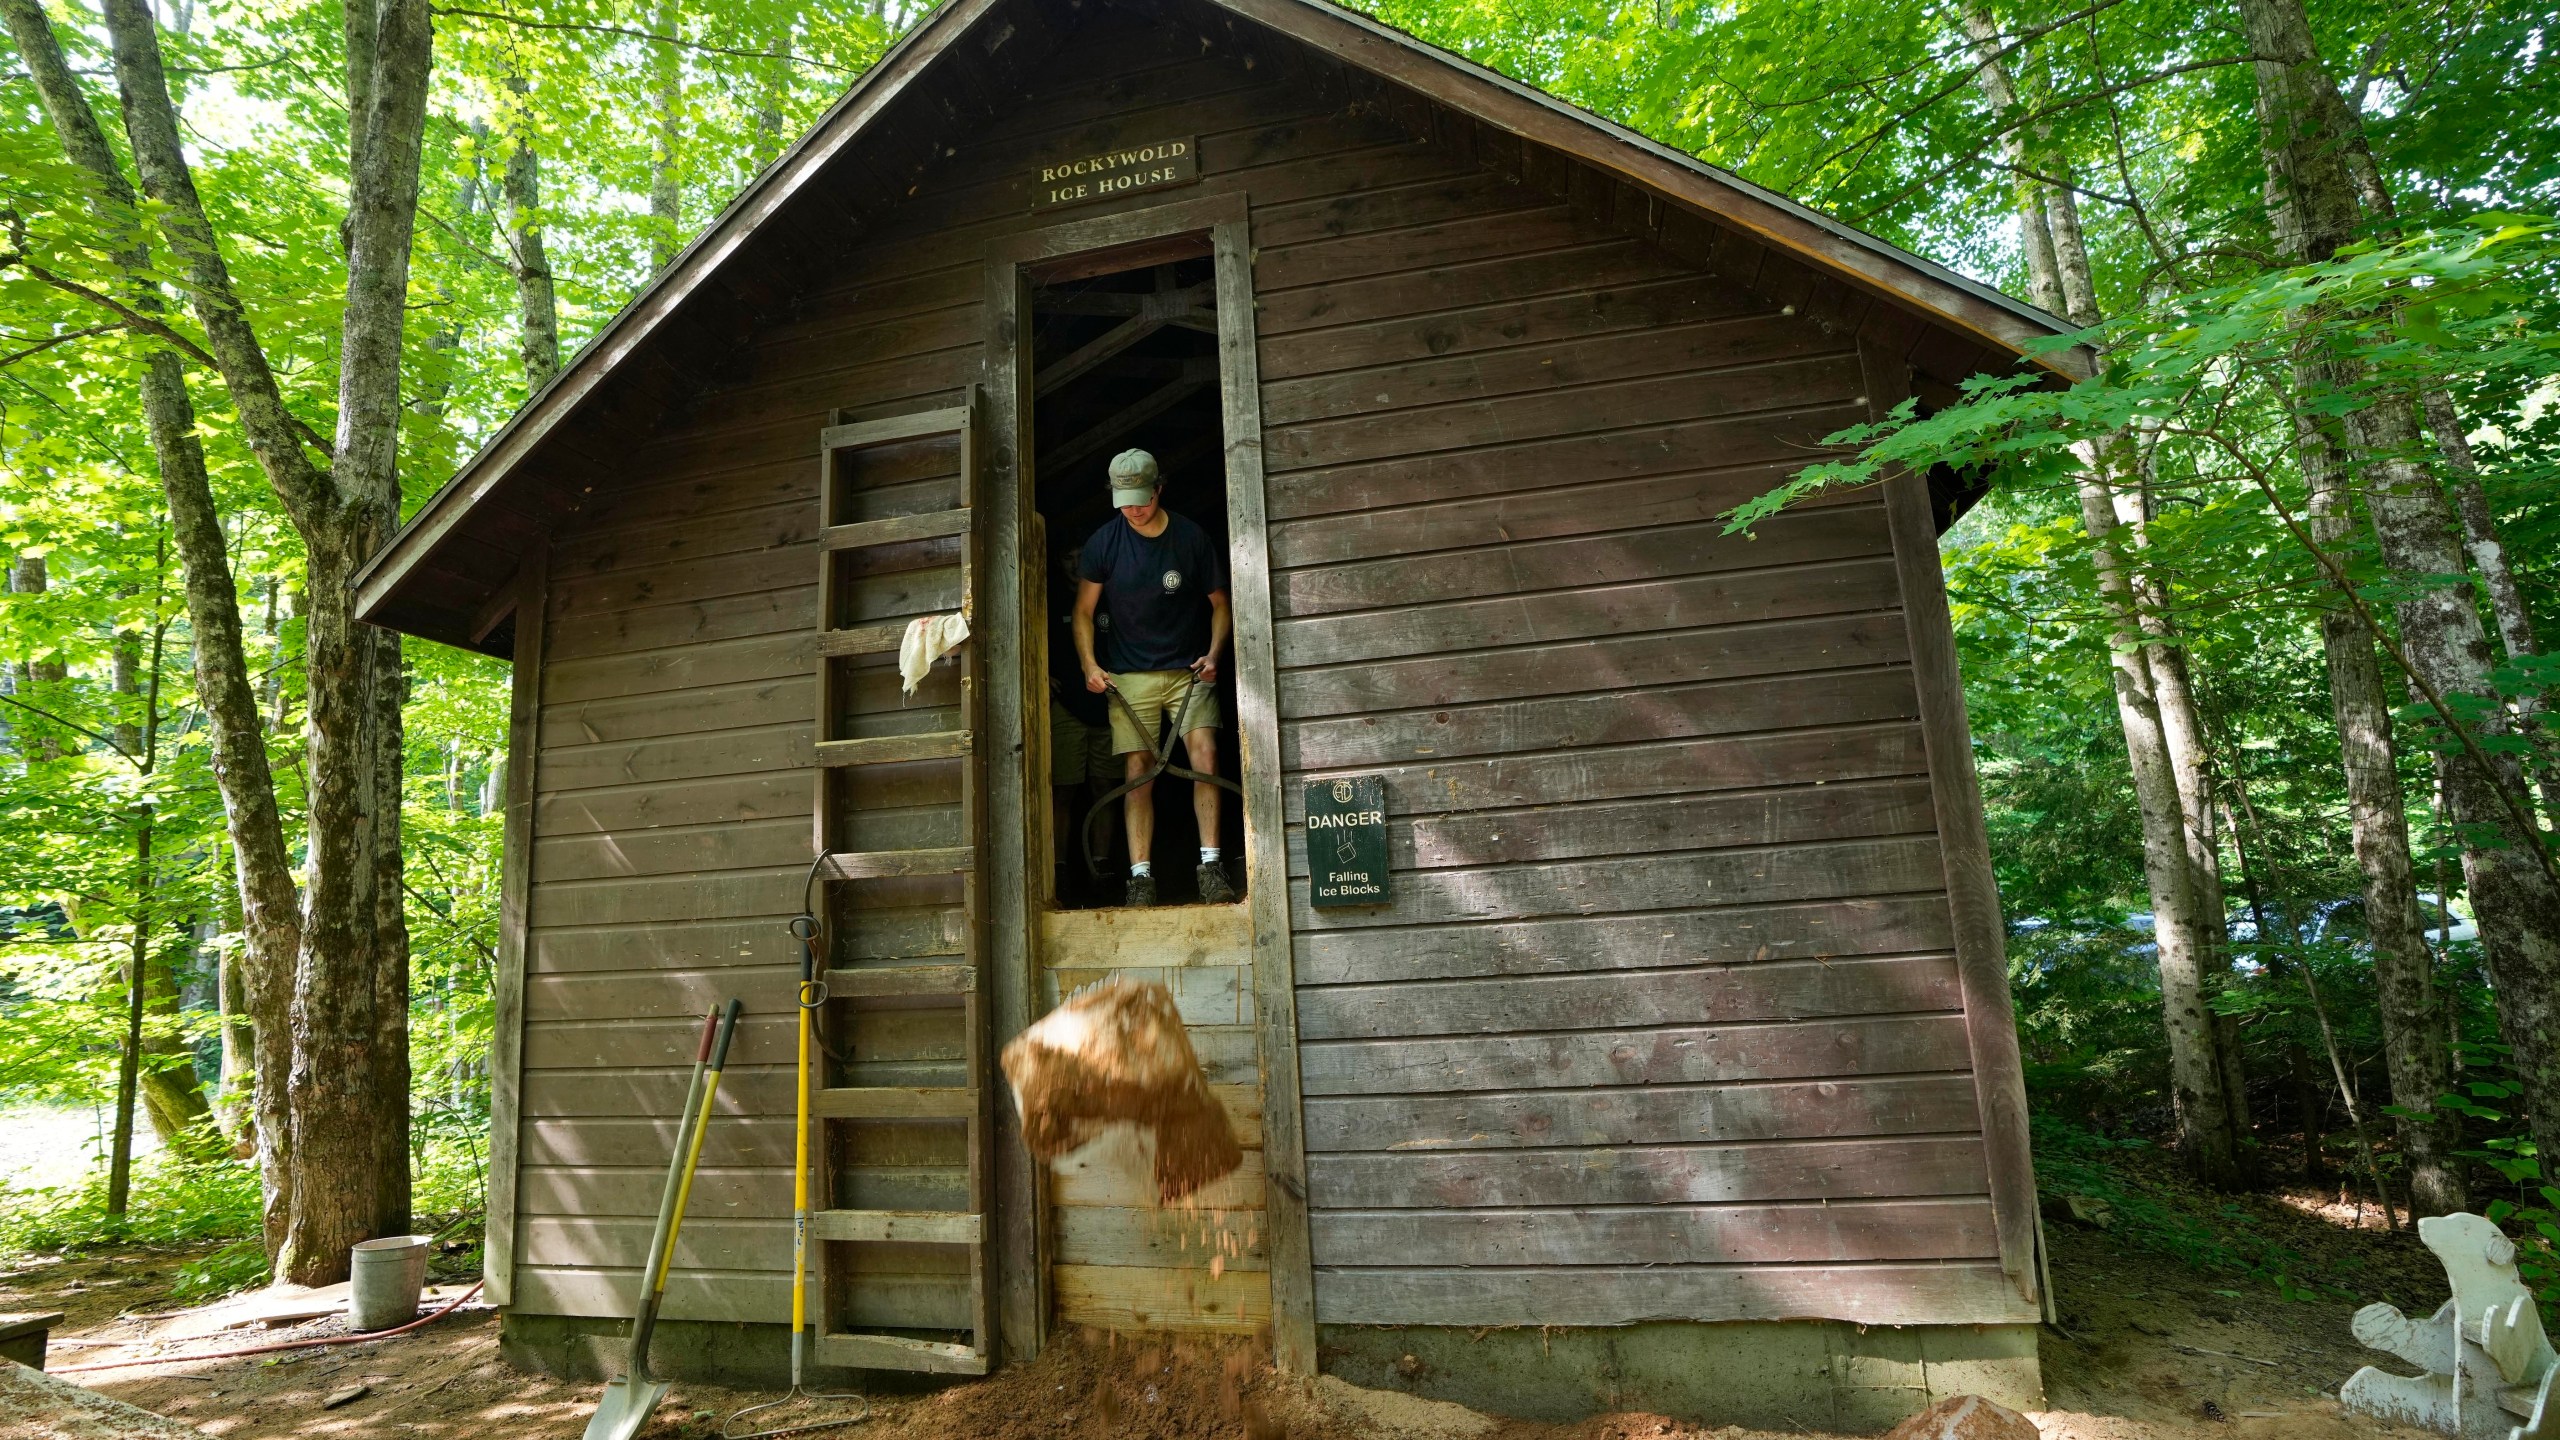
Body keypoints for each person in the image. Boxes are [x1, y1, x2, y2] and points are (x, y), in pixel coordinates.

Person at [1072, 448, 1235, 907]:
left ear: (1159, 489)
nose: (1133, 510)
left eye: (1140, 500)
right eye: (1124, 502)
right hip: (1128, 676)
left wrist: (1213, 653)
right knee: (1137, 771)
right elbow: (1083, 612)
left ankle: (1211, 866)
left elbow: (1220, 604)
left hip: (1188, 672)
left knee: (1205, 756)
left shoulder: (1190, 539)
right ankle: (1140, 877)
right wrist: (1089, 664)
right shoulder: (1104, 543)